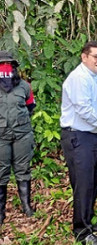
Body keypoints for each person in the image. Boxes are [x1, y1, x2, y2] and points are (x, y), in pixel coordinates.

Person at [60, 41, 97, 245]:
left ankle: (88, 220)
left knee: (93, 181)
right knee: (83, 183)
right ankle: (81, 231)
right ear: (84, 57)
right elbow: (84, 110)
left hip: (93, 136)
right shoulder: (79, 78)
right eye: (96, 57)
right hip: (78, 136)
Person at [0, 51, 36, 225]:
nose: (5, 69)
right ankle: (1, 212)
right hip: (0, 136)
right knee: (1, 172)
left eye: (9, 65)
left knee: (23, 170)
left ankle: (26, 207)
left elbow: (30, 107)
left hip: (22, 134)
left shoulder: (24, 86)